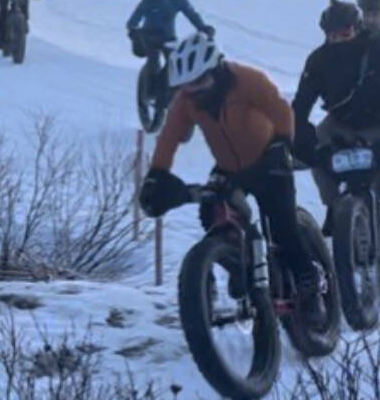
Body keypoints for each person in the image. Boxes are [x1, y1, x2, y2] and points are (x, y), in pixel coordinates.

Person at [139, 34, 326, 328]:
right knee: (213, 216)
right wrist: (156, 175)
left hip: (268, 157)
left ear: (215, 70)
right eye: (186, 86)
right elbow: (169, 138)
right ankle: (239, 267)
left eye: (198, 83)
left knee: (283, 226)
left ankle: (309, 282)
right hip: (229, 167)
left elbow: (280, 110)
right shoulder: (187, 100)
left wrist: (281, 143)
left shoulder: (246, 79)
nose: (192, 91)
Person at [292, 0, 380, 296]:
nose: (339, 40)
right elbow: (300, 108)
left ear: (356, 29)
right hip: (340, 122)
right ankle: (334, 206)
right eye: (332, 35)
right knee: (319, 158)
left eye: (344, 33)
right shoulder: (318, 60)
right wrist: (308, 147)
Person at [125, 0, 215, 76]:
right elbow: (136, 16)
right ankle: (151, 88)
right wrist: (133, 30)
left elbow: (191, 14)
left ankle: (170, 86)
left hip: (168, 37)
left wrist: (202, 28)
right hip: (149, 37)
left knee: (174, 63)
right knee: (153, 63)